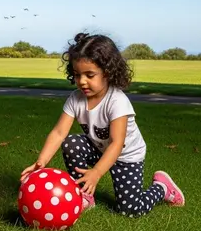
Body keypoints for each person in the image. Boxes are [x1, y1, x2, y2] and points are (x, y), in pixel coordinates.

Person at [20, 33, 185, 217]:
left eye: (89, 75)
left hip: (126, 157)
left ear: (107, 72)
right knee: (71, 143)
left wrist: (97, 172)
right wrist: (41, 161)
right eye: (77, 74)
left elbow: (117, 143)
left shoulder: (117, 102)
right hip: (98, 148)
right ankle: (85, 195)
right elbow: (59, 133)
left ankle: (162, 187)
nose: (82, 81)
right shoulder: (75, 99)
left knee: (130, 210)